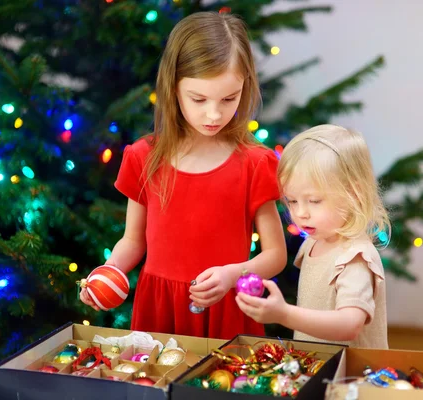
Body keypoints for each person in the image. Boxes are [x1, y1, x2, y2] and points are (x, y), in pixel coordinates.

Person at [79, 11, 287, 339]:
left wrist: (233, 274)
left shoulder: (254, 163)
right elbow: (133, 240)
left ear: (244, 88)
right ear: (173, 87)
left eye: (229, 98)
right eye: (199, 99)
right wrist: (108, 272)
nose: (214, 113)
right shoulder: (144, 157)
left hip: (227, 310)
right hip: (158, 311)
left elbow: (276, 255)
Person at [236, 124, 389, 348]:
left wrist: (284, 314)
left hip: (349, 377)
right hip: (320, 367)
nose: (300, 213)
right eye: (292, 201)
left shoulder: (355, 257)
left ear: (353, 193)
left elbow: (350, 324)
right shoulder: (315, 242)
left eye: (314, 201)